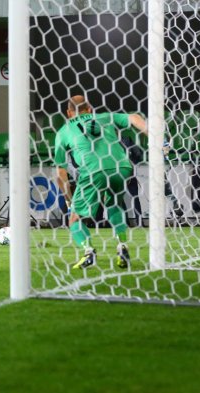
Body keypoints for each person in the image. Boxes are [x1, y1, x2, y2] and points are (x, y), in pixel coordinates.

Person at [54, 95, 147, 269]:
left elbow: (60, 172)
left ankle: (89, 252)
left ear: (68, 113)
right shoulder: (104, 117)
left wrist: (68, 199)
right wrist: (155, 136)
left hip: (93, 171)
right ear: (89, 109)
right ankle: (122, 246)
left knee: (74, 219)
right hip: (122, 166)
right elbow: (134, 117)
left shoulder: (63, 131)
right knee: (113, 204)